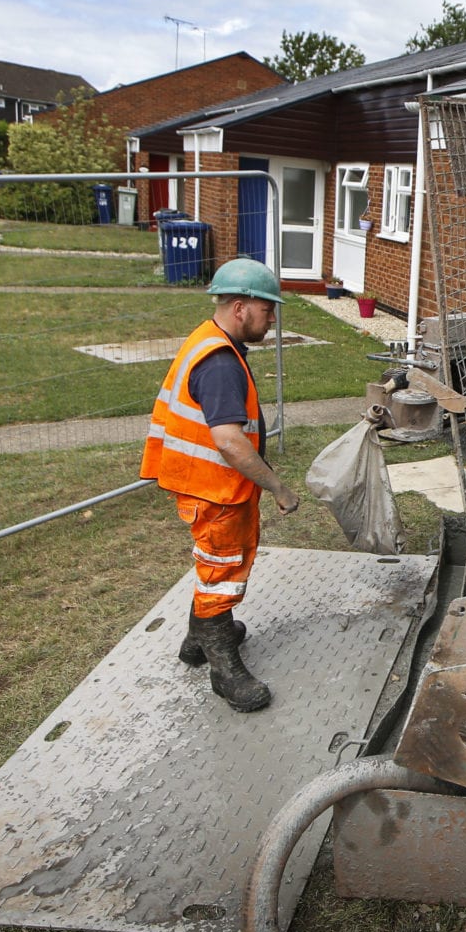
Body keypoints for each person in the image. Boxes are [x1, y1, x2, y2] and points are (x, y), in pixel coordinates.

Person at [141, 257, 302, 712]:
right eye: (266, 309)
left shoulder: (209, 339)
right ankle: (224, 672)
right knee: (222, 574)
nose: (271, 318)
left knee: (217, 566)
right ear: (239, 307)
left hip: (209, 484)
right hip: (215, 489)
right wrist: (278, 488)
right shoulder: (219, 364)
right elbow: (230, 442)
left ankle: (198, 641)